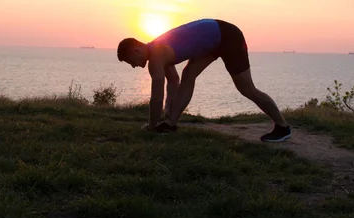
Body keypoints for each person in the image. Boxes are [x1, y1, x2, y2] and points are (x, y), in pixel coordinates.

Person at [117, 18, 292, 142]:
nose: (133, 66)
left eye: (129, 61)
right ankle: (171, 124)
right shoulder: (158, 50)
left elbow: (156, 98)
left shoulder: (156, 57)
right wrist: (165, 116)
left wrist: (151, 126)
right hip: (215, 38)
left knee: (247, 89)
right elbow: (173, 82)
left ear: (136, 51)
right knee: (188, 74)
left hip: (228, 36)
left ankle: (282, 127)